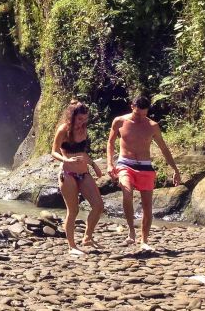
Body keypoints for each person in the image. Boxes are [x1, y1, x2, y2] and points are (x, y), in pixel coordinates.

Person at [107, 95, 182, 249]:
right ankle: (131, 231)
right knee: (127, 192)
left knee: (147, 206)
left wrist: (175, 169)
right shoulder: (120, 121)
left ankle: (144, 241)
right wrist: (109, 164)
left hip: (145, 166)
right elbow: (110, 143)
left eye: (144, 114)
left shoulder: (152, 126)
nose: (141, 117)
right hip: (125, 163)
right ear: (132, 106)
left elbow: (164, 148)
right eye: (138, 113)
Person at [51, 100, 104, 254]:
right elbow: (54, 151)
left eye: (85, 119)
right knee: (73, 210)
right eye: (80, 119)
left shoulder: (84, 130)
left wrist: (94, 165)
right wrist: (65, 159)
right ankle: (72, 246)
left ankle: (87, 238)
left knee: (98, 205)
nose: (83, 122)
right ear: (72, 116)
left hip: (83, 172)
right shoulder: (64, 129)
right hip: (67, 173)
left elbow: (83, 153)